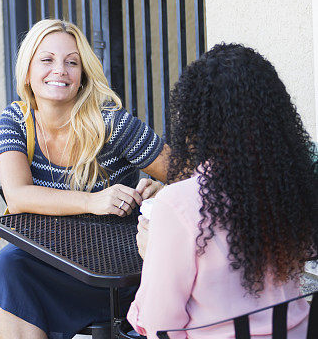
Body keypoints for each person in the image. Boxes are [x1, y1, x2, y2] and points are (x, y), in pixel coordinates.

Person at [0, 18, 170, 339]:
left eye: (72, 62)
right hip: (49, 263)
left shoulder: (113, 124)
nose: (60, 71)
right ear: (27, 71)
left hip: (109, 274)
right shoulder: (16, 119)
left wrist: (160, 190)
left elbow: (189, 174)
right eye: (47, 60)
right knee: (8, 270)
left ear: (82, 75)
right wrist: (92, 201)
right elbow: (17, 195)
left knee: (0, 304)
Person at [127, 43, 318, 339]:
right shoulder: (291, 187)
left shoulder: (179, 203)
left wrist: (152, 250)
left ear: (195, 119)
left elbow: (158, 326)